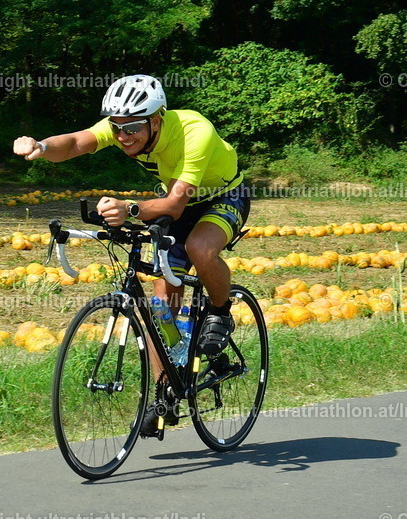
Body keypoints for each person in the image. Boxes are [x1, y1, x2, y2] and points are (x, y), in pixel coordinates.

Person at [12, 74, 250, 433]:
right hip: (177, 204)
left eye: (133, 129)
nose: (123, 137)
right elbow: (77, 142)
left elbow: (173, 204)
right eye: (117, 128)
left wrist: (131, 209)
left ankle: (220, 313)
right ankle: (163, 390)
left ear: (156, 119)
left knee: (200, 248)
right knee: (161, 299)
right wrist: (42, 147)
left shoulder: (193, 131)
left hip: (221, 198)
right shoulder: (123, 125)